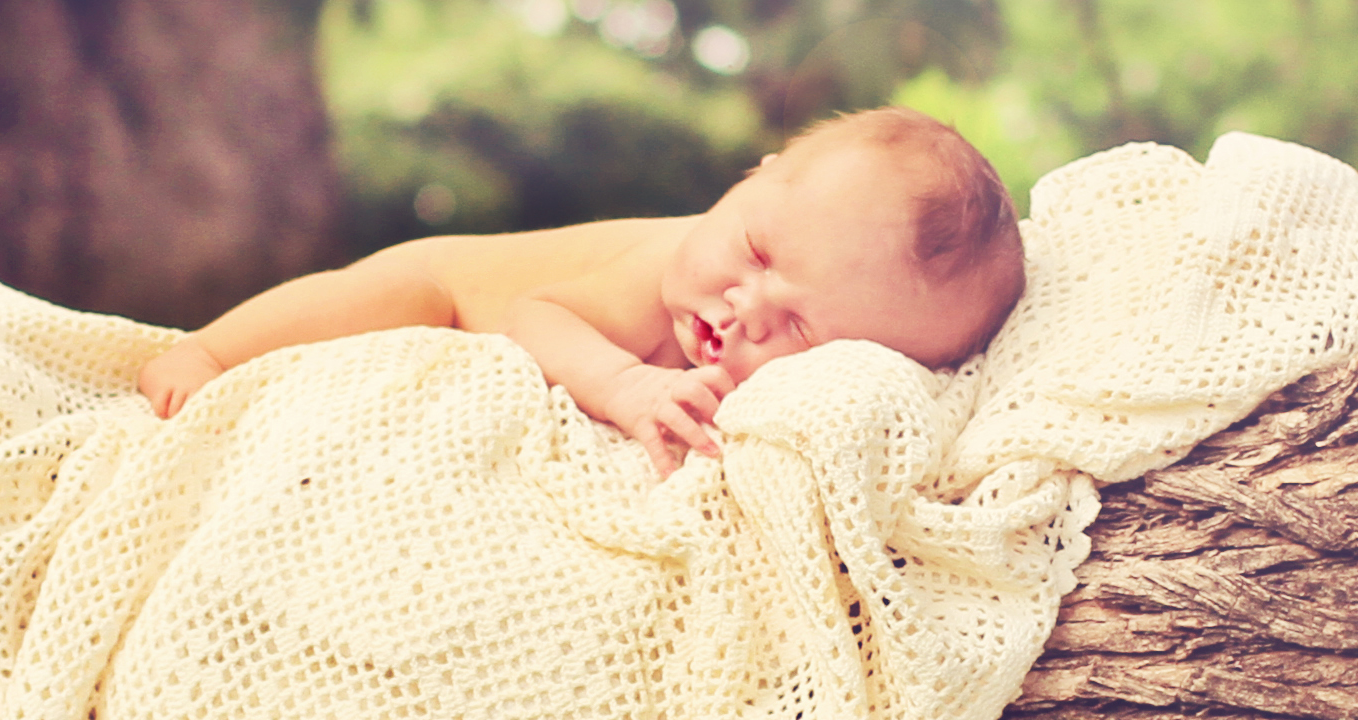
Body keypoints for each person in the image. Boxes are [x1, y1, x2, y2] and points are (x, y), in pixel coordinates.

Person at [132, 107, 1027, 470]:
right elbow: (536, 314)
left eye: (797, 327)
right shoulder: (660, 264)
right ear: (750, 180)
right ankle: (209, 347)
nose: (744, 306)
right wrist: (631, 386)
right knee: (385, 295)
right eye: (753, 252)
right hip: (453, 301)